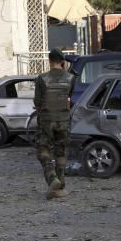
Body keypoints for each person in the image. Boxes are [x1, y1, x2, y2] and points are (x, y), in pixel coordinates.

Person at [33, 48, 75, 199]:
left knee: (43, 150)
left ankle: (52, 179)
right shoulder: (70, 78)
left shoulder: (42, 78)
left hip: (46, 120)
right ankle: (60, 186)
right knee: (61, 151)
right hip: (64, 120)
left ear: (49, 60)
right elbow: (69, 96)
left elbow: (37, 104)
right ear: (62, 61)